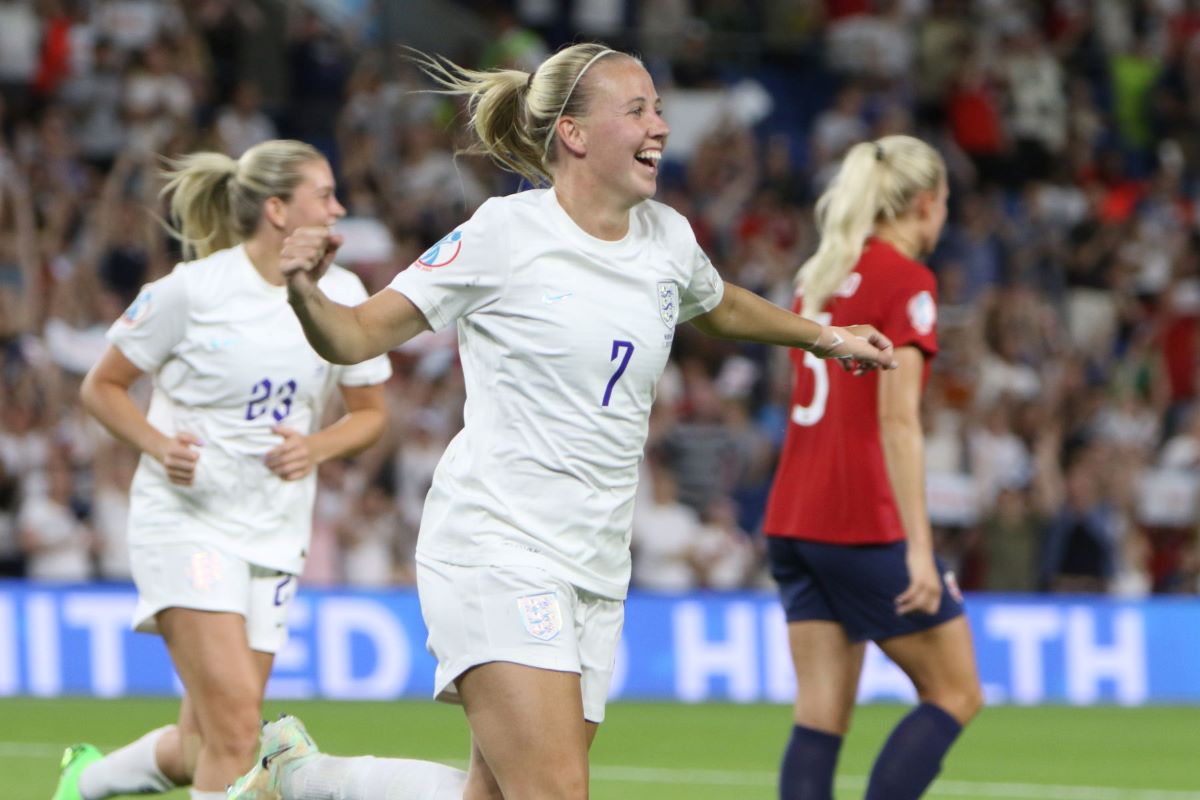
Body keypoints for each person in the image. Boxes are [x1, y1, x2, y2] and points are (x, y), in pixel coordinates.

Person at [227, 43, 896, 800]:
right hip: (500, 543)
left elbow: (722, 304)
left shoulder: (666, 239)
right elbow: (353, 336)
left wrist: (826, 336)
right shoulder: (503, 234)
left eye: (659, 108)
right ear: (574, 134)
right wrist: (304, 292)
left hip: (597, 562)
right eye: (636, 109)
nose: (661, 127)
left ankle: (302, 779)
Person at [52, 139, 391, 800]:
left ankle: (86, 779)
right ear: (275, 209)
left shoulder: (342, 292)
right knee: (240, 734)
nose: (339, 208)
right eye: (323, 194)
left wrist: (315, 447)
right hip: (188, 524)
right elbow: (102, 387)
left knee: (209, 740)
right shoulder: (191, 291)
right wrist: (157, 444)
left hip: (275, 529)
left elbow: (371, 411)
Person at [762, 135, 984, 800]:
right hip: (857, 520)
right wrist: (921, 550)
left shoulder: (819, 274)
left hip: (792, 518)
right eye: (944, 203)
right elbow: (897, 419)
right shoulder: (907, 281)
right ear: (924, 204)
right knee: (956, 691)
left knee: (821, 717)